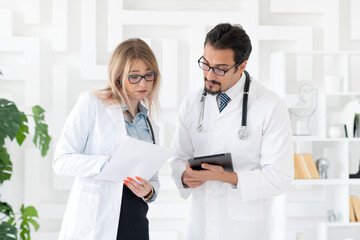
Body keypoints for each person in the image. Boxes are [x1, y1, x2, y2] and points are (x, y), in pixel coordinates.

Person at [169, 23, 293, 240]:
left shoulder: (270, 105)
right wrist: (184, 176)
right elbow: (177, 157)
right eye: (205, 64)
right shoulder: (192, 102)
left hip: (245, 230)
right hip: (201, 225)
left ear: (241, 66)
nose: (209, 74)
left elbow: (280, 177)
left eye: (219, 68)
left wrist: (229, 178)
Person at [53, 38, 161, 240]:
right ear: (118, 76)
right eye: (134, 77)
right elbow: (61, 161)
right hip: (97, 222)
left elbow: (153, 179)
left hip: (136, 219)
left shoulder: (150, 123)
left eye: (149, 75)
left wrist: (150, 191)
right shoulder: (92, 104)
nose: (143, 83)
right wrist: (107, 164)